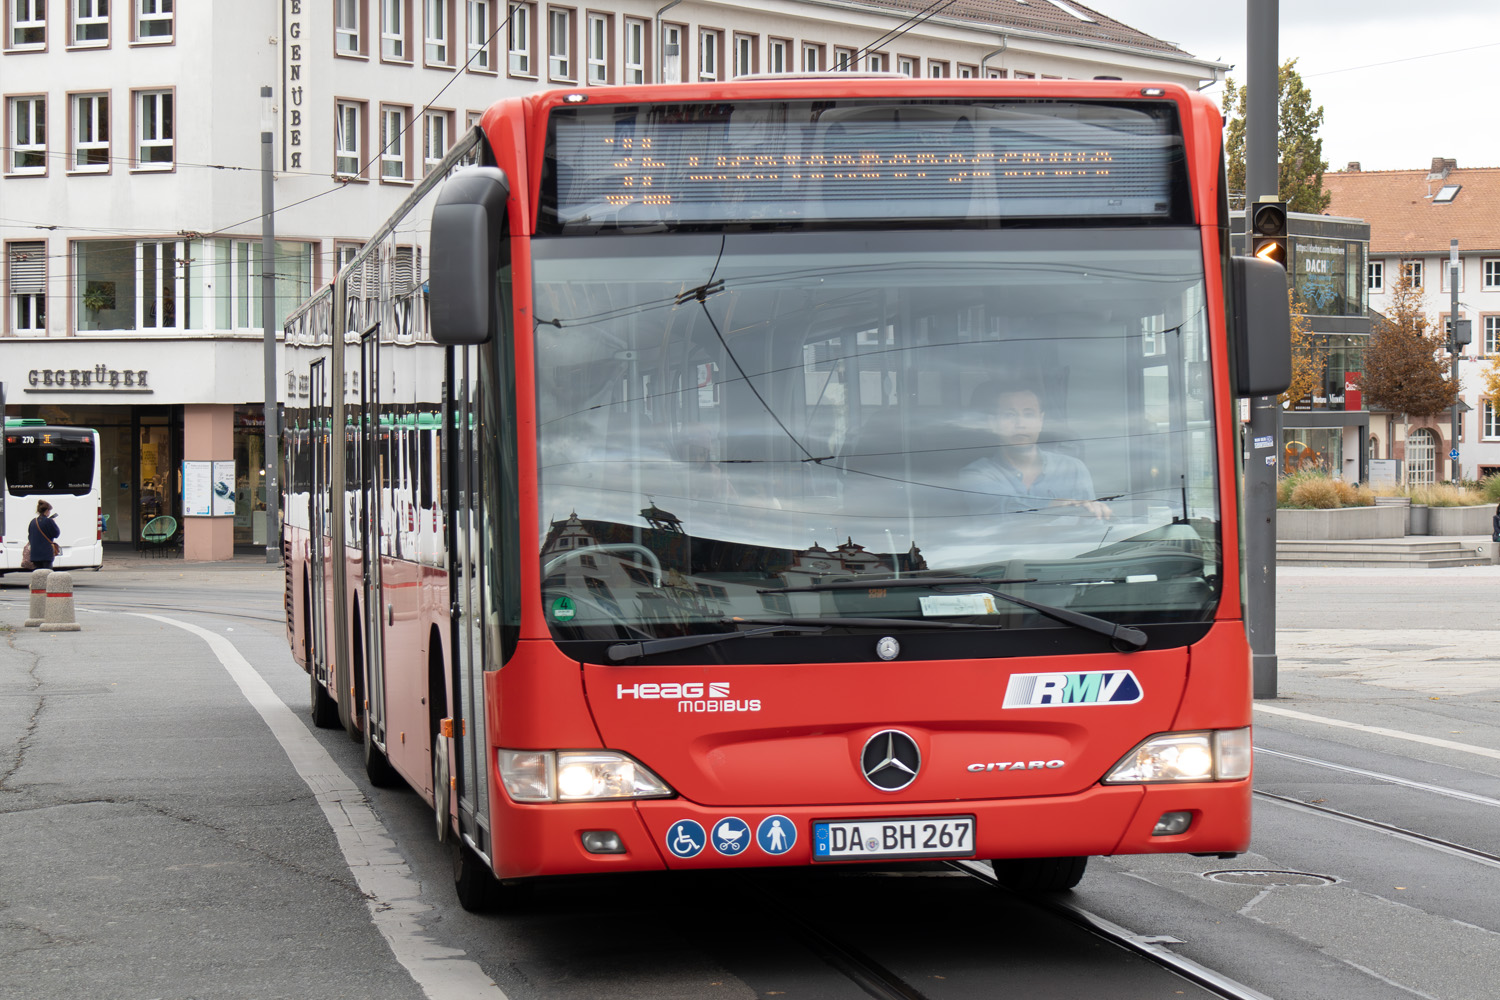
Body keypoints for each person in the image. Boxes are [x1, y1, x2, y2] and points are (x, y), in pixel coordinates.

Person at [960, 380, 1110, 520]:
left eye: (1029, 414)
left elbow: (1090, 525)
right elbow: (1003, 508)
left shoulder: (1073, 469)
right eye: (1009, 415)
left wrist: (1094, 512)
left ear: (1041, 420)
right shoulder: (976, 474)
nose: (1020, 423)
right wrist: (1057, 506)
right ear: (992, 423)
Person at [28, 500, 62, 570]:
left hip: (35, 553)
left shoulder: (33, 521)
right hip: (46, 553)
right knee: (47, 574)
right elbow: (56, 534)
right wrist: (53, 523)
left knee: (38, 575)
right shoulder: (48, 521)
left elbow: (29, 536)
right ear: (47, 510)